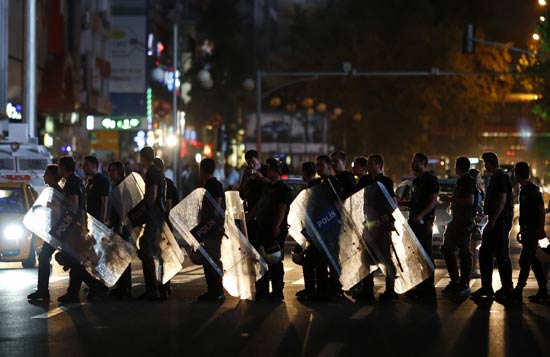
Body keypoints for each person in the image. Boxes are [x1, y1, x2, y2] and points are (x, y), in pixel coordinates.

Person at [471, 152, 514, 300]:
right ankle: (487, 287)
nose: (484, 166)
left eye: (485, 163)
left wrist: (493, 221)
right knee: (485, 254)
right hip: (495, 221)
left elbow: (502, 200)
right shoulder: (495, 178)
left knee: (501, 256)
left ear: (490, 163)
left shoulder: (501, 178)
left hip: (499, 223)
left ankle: (507, 288)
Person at [358, 154, 398, 302]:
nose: (368, 167)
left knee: (386, 258)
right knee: (365, 259)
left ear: (380, 166)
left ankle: (390, 290)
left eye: (371, 164)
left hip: (382, 226)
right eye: (367, 164)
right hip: (368, 224)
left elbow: (392, 202)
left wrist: (386, 219)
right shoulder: (365, 181)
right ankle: (367, 290)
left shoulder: (385, 182)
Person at [57, 156, 96, 304]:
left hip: (74, 227)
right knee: (74, 261)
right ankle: (76, 291)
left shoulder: (72, 183)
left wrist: (67, 225)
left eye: (59, 166)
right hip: (80, 225)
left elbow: (73, 206)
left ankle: (88, 286)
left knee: (73, 261)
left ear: (63, 167)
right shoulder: (78, 181)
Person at [401, 153, 439, 302]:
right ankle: (418, 287)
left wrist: (421, 215)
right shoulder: (416, 181)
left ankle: (428, 289)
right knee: (414, 255)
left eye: (414, 161)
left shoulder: (431, 180)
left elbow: (432, 201)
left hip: (424, 223)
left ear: (422, 163)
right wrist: (403, 203)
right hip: (414, 221)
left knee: (425, 255)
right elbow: (415, 201)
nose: (411, 163)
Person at [254, 158, 292, 301]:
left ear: (279, 171)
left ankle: (277, 292)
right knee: (261, 259)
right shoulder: (267, 187)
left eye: (271, 168)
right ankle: (262, 291)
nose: (268, 171)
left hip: (274, 229)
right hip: (262, 227)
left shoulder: (283, 189)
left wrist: (277, 225)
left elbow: (282, 208)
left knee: (274, 260)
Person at [511, 162, 548, 302]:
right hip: (527, 230)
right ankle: (543, 289)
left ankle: (519, 289)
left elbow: (541, 210)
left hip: (532, 230)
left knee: (525, 260)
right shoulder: (524, 190)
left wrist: (540, 229)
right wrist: (521, 229)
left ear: (518, 174)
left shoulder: (532, 190)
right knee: (532, 260)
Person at [440, 157, 477, 298]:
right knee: (448, 249)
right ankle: (456, 281)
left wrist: (450, 199)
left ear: (458, 167)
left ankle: (463, 283)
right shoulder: (463, 181)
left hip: (464, 221)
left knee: (463, 252)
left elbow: (469, 200)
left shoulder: (467, 181)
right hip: (458, 220)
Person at [27, 165, 62, 301]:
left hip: (58, 231)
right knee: (45, 257)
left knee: (45, 257)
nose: (43, 176)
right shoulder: (51, 190)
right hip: (54, 230)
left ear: (53, 176)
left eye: (46, 174)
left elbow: (57, 210)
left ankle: (43, 291)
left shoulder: (57, 191)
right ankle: (42, 290)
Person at [137, 147, 167, 301]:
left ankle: (153, 289)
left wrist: (142, 210)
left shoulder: (152, 172)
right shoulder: (157, 172)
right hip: (157, 215)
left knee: (146, 248)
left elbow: (152, 195)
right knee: (151, 248)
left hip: (153, 215)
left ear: (143, 158)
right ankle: (158, 287)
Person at [197, 158, 226, 302]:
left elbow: (216, 206)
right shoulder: (209, 184)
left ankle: (217, 292)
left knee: (213, 260)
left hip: (213, 229)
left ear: (201, 170)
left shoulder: (214, 185)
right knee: (209, 260)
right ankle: (212, 291)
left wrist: (208, 224)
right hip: (209, 228)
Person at [106, 161, 132, 299]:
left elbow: (123, 208)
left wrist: (120, 225)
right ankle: (122, 287)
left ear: (120, 172)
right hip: (117, 225)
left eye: (114, 170)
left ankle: (125, 288)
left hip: (122, 227)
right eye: (110, 170)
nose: (111, 173)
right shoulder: (117, 185)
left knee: (122, 257)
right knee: (119, 257)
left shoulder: (122, 186)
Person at [469, 169, 484, 279]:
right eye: (478, 177)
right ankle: (473, 269)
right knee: (474, 246)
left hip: (479, 221)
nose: (480, 180)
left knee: (475, 246)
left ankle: (473, 268)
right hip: (474, 221)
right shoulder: (474, 190)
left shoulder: (479, 190)